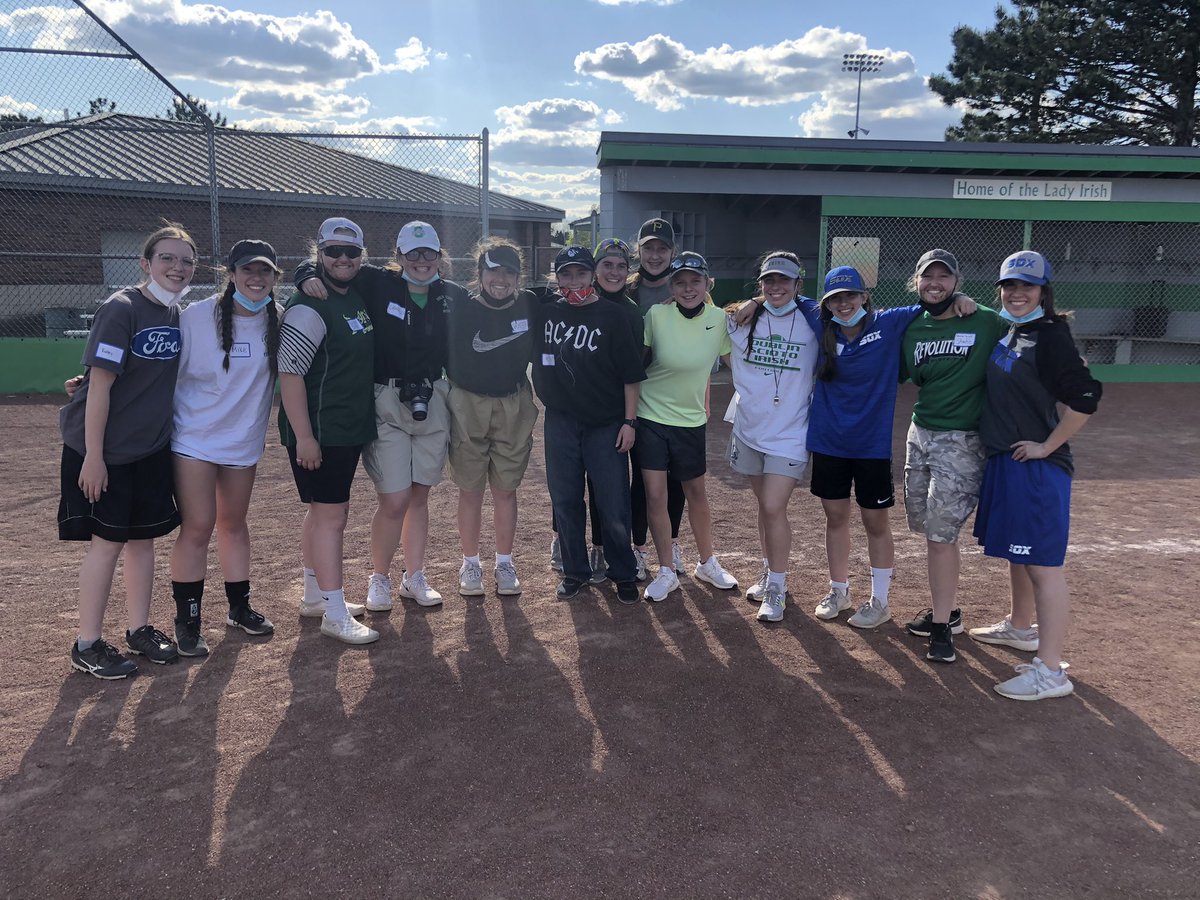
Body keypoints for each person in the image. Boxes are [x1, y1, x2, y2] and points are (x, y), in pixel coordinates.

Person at [296, 220, 459, 610]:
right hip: (386, 398)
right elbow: (333, 265)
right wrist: (304, 275)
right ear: (398, 255)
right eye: (413, 253)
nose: (421, 260)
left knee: (419, 495)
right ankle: (380, 577)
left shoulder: (452, 295)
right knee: (395, 498)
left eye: (429, 253)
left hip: (432, 398)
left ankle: (413, 576)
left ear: (439, 256)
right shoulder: (377, 283)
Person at [804, 267, 975, 631]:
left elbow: (932, 301)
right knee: (835, 518)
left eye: (851, 296)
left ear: (864, 296)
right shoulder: (821, 325)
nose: (844, 304)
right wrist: (754, 301)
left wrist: (958, 297)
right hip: (829, 442)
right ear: (827, 304)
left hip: (871, 447)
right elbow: (784, 295)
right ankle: (839, 591)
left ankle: (879, 601)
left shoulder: (889, 322)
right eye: (835, 298)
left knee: (875, 523)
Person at [60, 223, 193, 678]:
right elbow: (99, 387)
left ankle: (139, 629)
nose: (177, 267)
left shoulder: (176, 314)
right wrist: (94, 457)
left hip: (150, 447)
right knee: (108, 544)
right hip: (106, 451)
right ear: (145, 263)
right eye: (167, 258)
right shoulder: (122, 308)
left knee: (143, 540)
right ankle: (87, 644)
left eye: (186, 260)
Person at [972, 251, 1101, 700]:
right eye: (1009, 285)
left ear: (1044, 291)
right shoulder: (1015, 330)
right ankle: (1020, 627)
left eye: (1027, 286)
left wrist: (1048, 445)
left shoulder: (1050, 337)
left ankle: (1051, 671)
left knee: (1043, 566)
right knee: (1020, 555)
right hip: (1009, 461)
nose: (1017, 293)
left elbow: (1085, 397)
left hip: (1038, 469)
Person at [168, 239, 283, 655]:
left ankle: (239, 607)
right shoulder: (196, 317)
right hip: (194, 439)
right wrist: (90, 382)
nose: (257, 278)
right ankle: (188, 621)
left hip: (243, 443)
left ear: (274, 277)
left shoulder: (279, 318)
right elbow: (157, 367)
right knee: (198, 526)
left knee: (234, 523)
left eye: (265, 271)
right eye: (248, 270)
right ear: (230, 274)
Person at [898, 249, 1008, 663]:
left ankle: (942, 627)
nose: (935, 284)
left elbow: (1028, 333)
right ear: (916, 281)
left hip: (962, 440)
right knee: (927, 526)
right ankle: (948, 611)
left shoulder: (984, 321)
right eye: (928, 277)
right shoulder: (912, 326)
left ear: (957, 282)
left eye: (944, 277)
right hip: (920, 433)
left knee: (940, 535)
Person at [278, 217, 378, 644]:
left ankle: (315, 596)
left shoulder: (351, 295)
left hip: (345, 427)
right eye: (333, 251)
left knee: (322, 513)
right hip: (321, 430)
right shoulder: (309, 304)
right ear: (319, 253)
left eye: (351, 252)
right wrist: (304, 436)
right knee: (331, 517)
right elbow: (290, 374)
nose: (342, 258)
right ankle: (335, 613)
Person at [533, 246, 645, 605]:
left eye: (580, 273)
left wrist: (629, 422)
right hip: (561, 420)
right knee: (565, 499)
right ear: (556, 278)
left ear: (592, 275)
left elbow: (631, 376)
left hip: (606, 422)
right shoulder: (546, 312)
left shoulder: (614, 316)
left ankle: (623, 571)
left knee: (613, 501)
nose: (573, 281)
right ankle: (575, 571)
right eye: (565, 274)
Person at [723, 252, 819, 622]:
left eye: (784, 280)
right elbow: (697, 310)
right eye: (769, 281)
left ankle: (777, 586)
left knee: (774, 506)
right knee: (765, 506)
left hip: (790, 432)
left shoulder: (814, 319)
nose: (776, 287)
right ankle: (768, 572)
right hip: (749, 428)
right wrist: (754, 302)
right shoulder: (740, 318)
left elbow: (849, 312)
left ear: (798, 284)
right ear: (760, 283)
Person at [638, 251, 738, 602]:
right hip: (650, 416)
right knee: (656, 495)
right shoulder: (656, 314)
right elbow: (637, 362)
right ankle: (666, 570)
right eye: (680, 282)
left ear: (708, 283)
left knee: (696, 493)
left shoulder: (720, 320)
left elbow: (736, 364)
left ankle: (707, 562)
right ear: (671, 286)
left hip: (691, 421)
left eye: (695, 281)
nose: (688, 288)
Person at [446, 239, 538, 597]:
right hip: (467, 404)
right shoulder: (459, 306)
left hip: (513, 403)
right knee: (470, 489)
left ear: (519, 277)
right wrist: (306, 273)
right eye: (493, 271)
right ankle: (470, 563)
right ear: (479, 273)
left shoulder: (532, 303)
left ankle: (504, 562)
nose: (501, 279)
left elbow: (579, 286)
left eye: (509, 272)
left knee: (505, 489)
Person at [626, 218, 686, 576]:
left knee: (676, 478)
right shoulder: (628, 289)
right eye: (648, 247)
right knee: (643, 479)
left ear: (672, 252)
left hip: (675, 399)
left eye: (662, 248)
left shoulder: (685, 287)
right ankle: (639, 548)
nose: (655, 255)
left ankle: (673, 543)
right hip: (638, 397)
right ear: (639, 250)